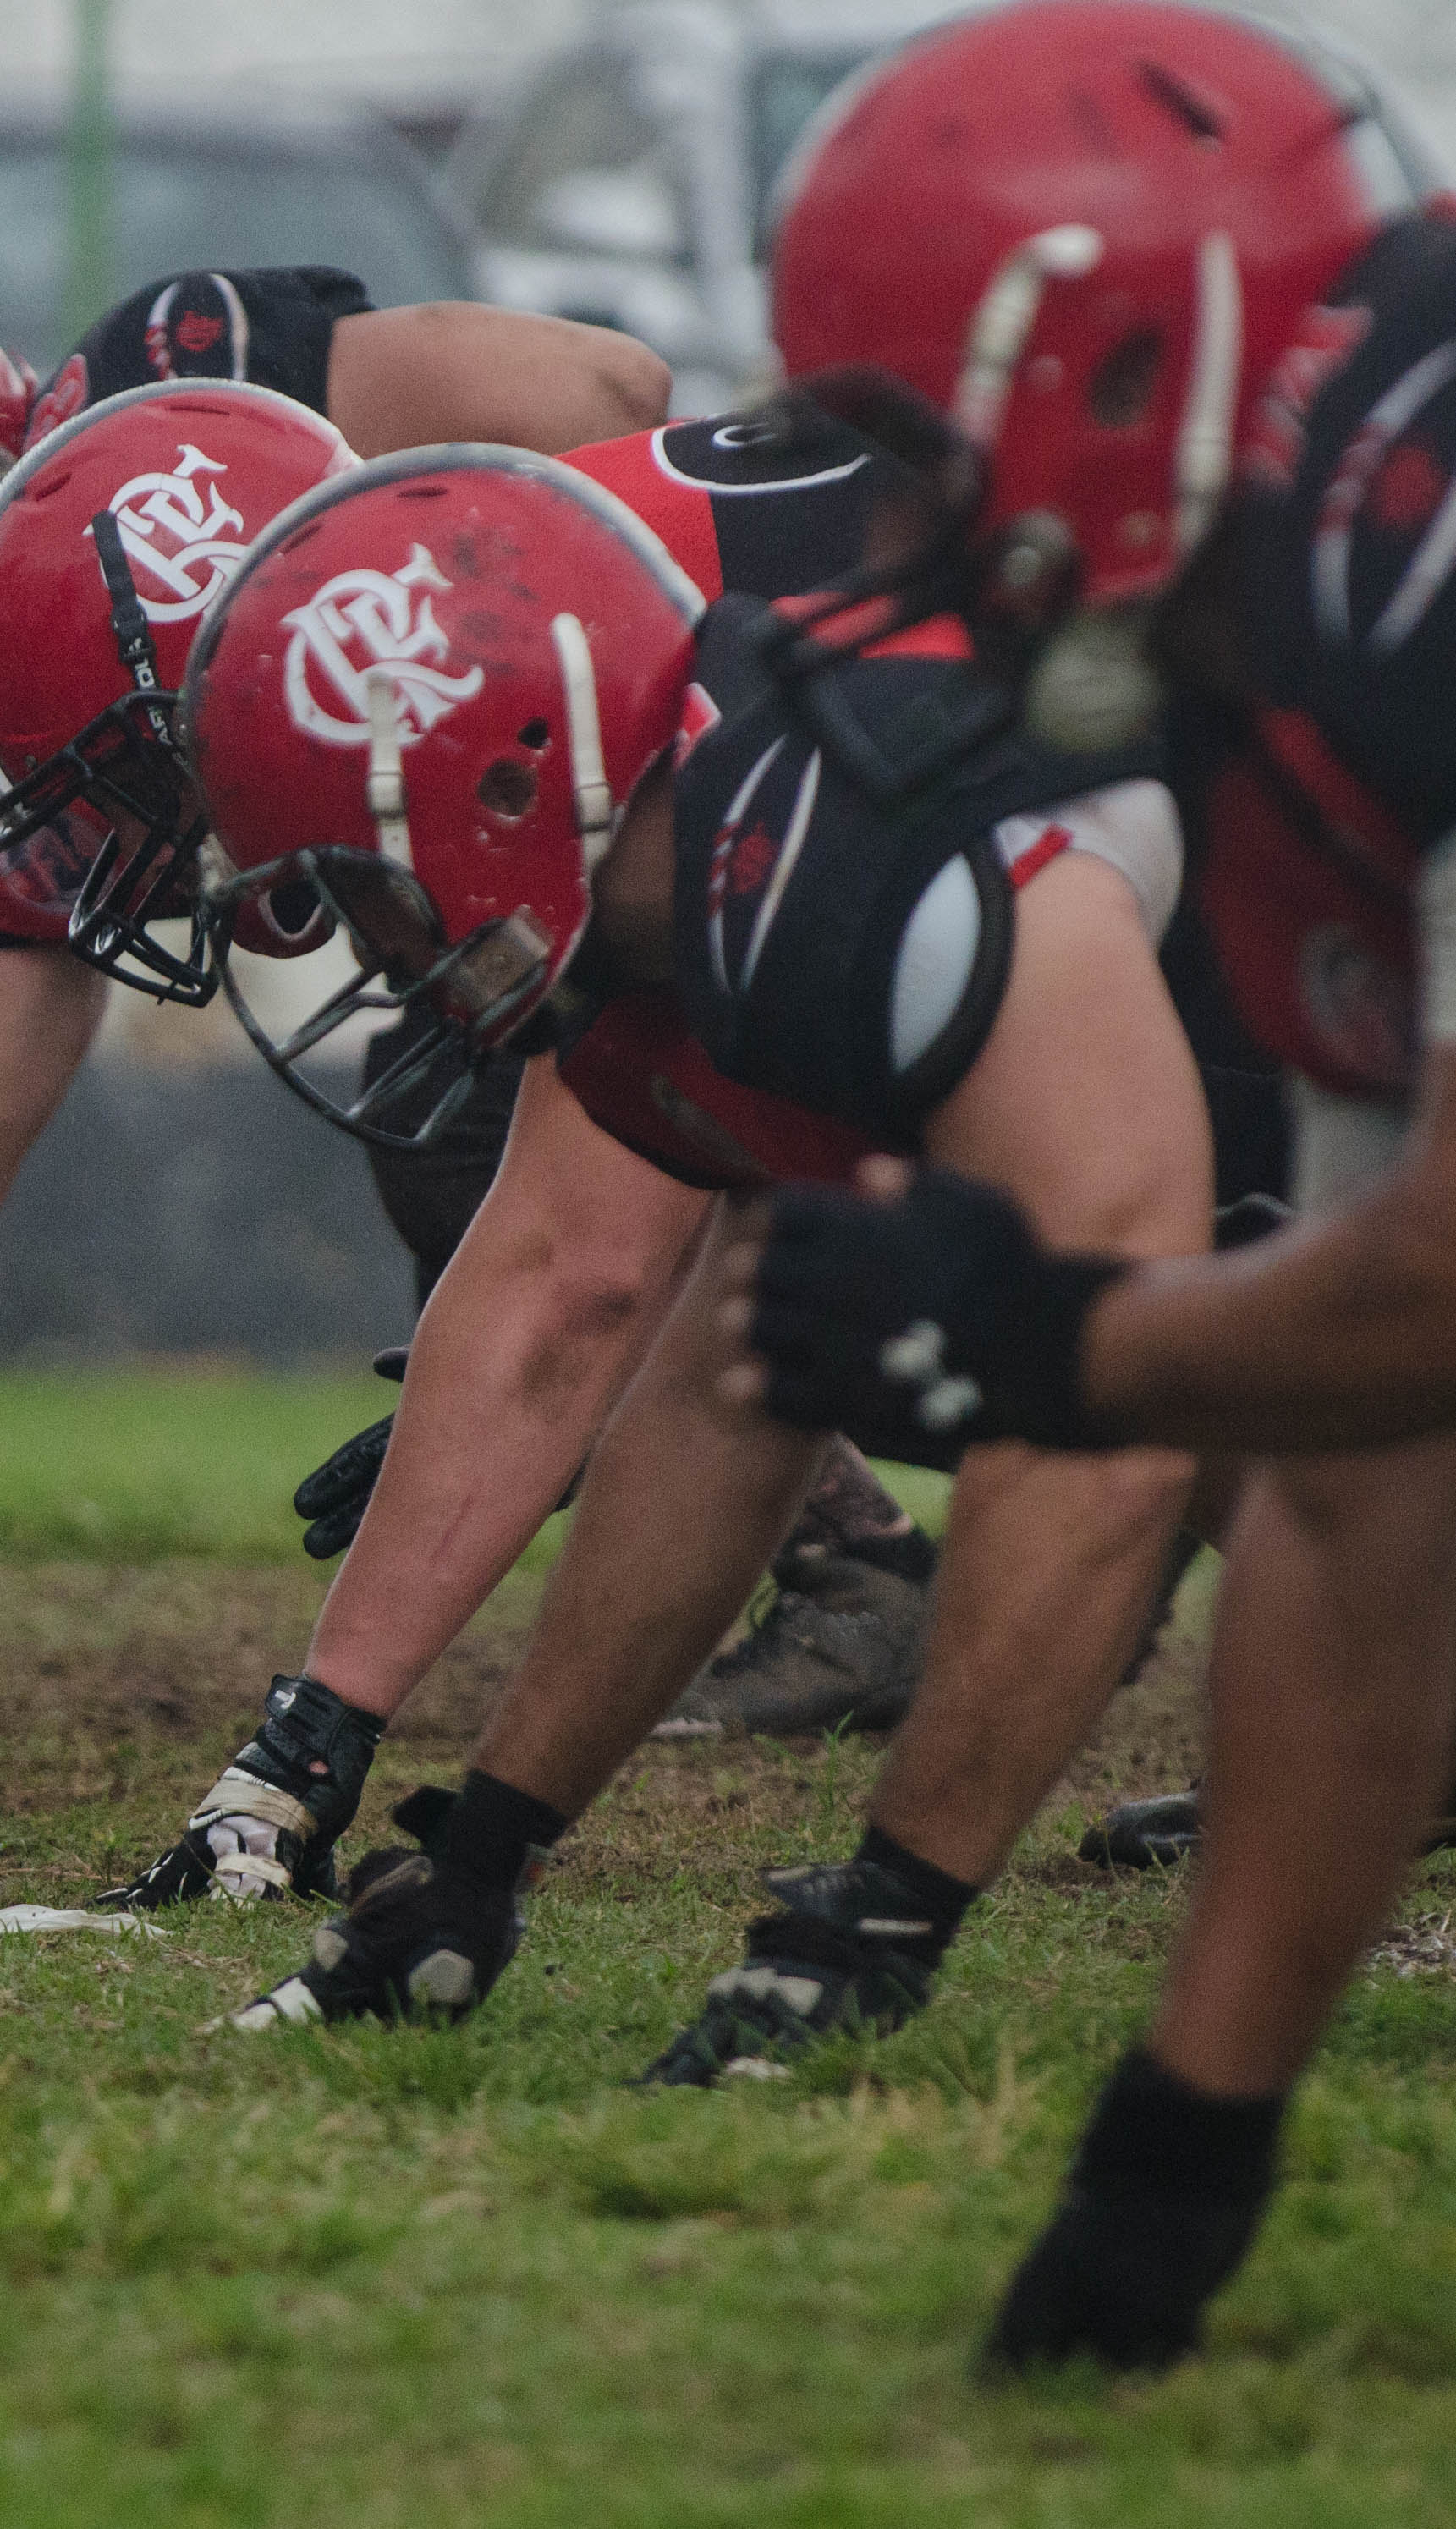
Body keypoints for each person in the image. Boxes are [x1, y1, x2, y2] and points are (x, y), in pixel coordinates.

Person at [94, 442, 1212, 2098]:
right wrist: (487, 1845)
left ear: (502, 782)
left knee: (1262, 1400)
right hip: (1302, 1066)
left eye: (350, 877)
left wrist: (880, 1914)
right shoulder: (662, 949)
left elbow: (1127, 1395)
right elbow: (734, 1371)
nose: (367, 950)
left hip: (1363, 941)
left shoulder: (852, 853)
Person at [707, 3, 1452, 2372]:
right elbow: (1360, 1487)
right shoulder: (1276, 670)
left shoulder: (1409, 579)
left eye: (916, 451)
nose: (895, 534)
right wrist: (1174, 2154)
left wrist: (1053, 1339)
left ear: (1132, 367)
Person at [0, 252, 668, 1717]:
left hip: (667, 767)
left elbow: (608, 397)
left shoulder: (179, 383)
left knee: (538, 1114)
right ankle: (847, 1562)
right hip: (495, 931)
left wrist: (507, 664)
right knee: (448, 1121)